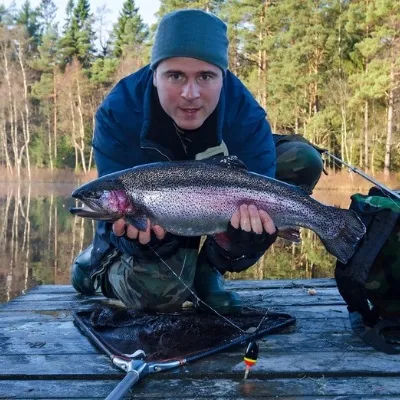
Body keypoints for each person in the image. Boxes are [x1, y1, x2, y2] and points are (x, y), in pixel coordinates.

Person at [71, 9, 323, 314]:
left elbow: (260, 198)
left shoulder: (247, 117)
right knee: (159, 296)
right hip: (157, 207)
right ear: (154, 75)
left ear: (223, 76)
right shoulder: (118, 114)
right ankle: (95, 268)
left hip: (217, 195)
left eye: (205, 76)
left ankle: (208, 271)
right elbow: (117, 212)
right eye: (175, 76)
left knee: (301, 159)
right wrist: (140, 243)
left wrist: (240, 245)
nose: (190, 94)